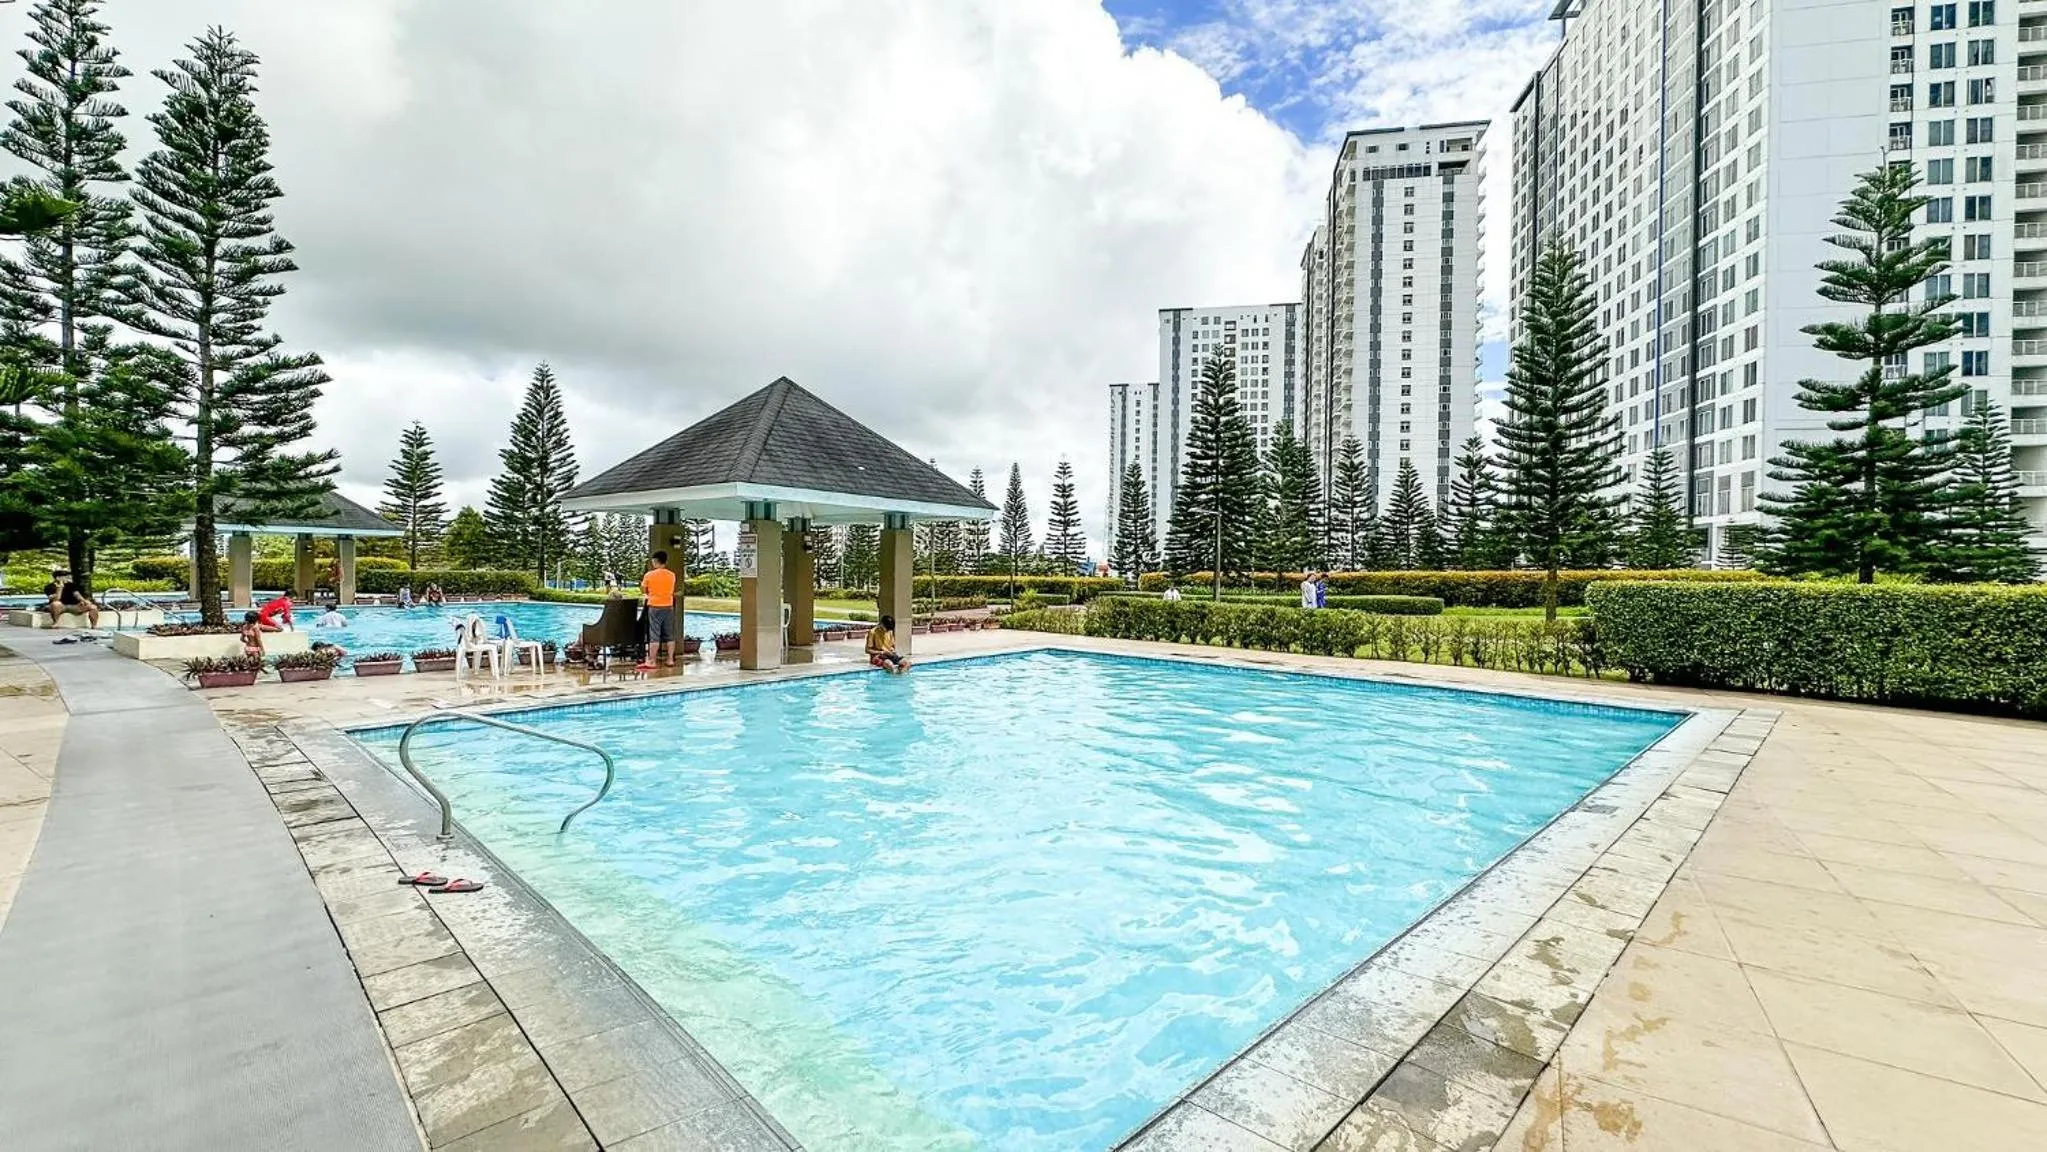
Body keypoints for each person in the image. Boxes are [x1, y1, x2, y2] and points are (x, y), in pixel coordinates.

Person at [639, 551, 679, 667]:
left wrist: (647, 594)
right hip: (669, 606)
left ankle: (652, 661)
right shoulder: (672, 575)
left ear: (655, 561)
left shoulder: (649, 575)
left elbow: (643, 589)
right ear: (666, 562)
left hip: (655, 606)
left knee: (655, 633)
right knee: (669, 634)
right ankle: (670, 659)